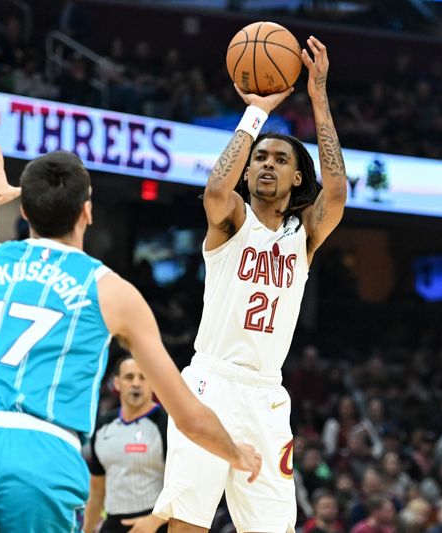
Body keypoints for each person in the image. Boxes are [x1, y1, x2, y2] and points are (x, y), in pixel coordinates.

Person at [0, 145, 262, 532]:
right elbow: (187, 415)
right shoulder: (113, 292)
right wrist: (236, 453)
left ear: (24, 211)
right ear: (87, 212)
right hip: (45, 450)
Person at [153, 35, 347, 533]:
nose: (266, 164)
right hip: (210, 383)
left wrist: (318, 95)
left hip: (265, 396)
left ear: (298, 179)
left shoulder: (303, 236)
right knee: (188, 522)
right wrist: (256, 113)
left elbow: (339, 192)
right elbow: (217, 187)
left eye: (280, 160)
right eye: (261, 158)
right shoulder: (232, 220)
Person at [84, 354, 168, 533]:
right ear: (117, 383)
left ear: (152, 383)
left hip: (154, 524)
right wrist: (87, 530)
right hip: (112, 524)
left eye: (143, 377)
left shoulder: (166, 424)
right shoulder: (102, 426)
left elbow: (180, 484)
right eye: (129, 377)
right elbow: (97, 489)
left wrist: (154, 521)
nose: (136, 383)